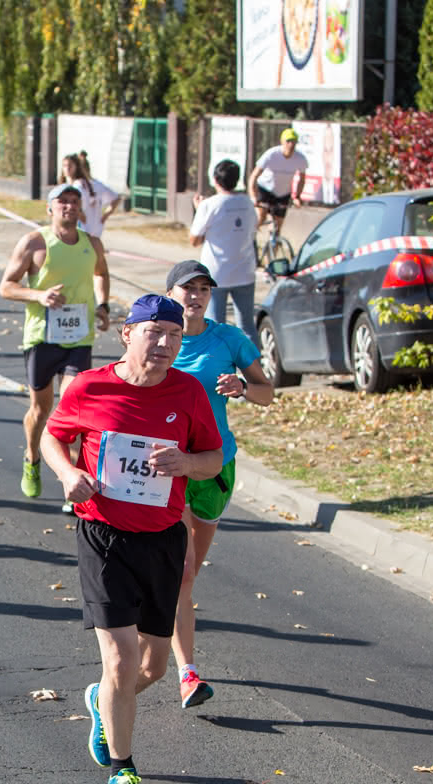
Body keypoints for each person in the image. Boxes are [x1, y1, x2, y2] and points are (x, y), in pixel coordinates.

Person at [39, 294, 222, 784]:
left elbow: (213, 460)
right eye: (154, 332)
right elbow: (55, 436)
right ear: (127, 333)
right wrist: (69, 473)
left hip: (162, 537)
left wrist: (185, 462)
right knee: (118, 659)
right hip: (103, 536)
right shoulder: (90, 386)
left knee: (154, 667)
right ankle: (123, 772)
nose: (164, 343)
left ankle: (101, 701)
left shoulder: (187, 392)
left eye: (174, 335)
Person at [164, 261, 274, 707]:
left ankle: (163, 621)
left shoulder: (229, 339)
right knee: (183, 570)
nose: (196, 295)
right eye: (187, 288)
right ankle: (187, 672)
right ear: (170, 293)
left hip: (214, 464)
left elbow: (268, 392)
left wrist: (243, 386)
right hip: (169, 466)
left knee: (187, 574)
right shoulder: (159, 337)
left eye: (203, 289)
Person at [0, 183, 112, 499]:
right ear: (50, 208)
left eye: (75, 202)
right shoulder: (35, 242)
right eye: (63, 202)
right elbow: (6, 286)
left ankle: (72, 481)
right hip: (41, 336)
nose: (70, 207)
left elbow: (101, 273)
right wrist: (39, 295)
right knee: (40, 408)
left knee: (74, 406)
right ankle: (32, 457)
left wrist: (102, 306)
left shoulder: (93, 244)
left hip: (79, 337)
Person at [189, 159, 258, 331]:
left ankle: (221, 358)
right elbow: (253, 229)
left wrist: (199, 211)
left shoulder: (209, 205)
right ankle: (252, 358)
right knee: (247, 326)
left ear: (215, 180)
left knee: (215, 326)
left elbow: (194, 240)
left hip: (217, 273)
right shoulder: (247, 202)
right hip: (245, 270)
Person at [249, 129, 308, 229]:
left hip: (283, 194)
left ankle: (274, 243)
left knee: (277, 226)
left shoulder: (300, 158)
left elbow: (302, 179)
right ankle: (250, 237)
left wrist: (297, 197)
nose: (291, 144)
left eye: (294, 142)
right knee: (261, 217)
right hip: (265, 190)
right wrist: (253, 196)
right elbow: (254, 176)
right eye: (288, 141)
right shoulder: (271, 154)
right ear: (282, 142)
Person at [59, 152, 120, 239]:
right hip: (94, 231)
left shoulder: (79, 185)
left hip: (82, 232)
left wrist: (103, 217)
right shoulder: (92, 184)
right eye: (64, 166)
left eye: (70, 165)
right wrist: (103, 218)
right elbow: (116, 198)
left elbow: (78, 210)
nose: (67, 169)